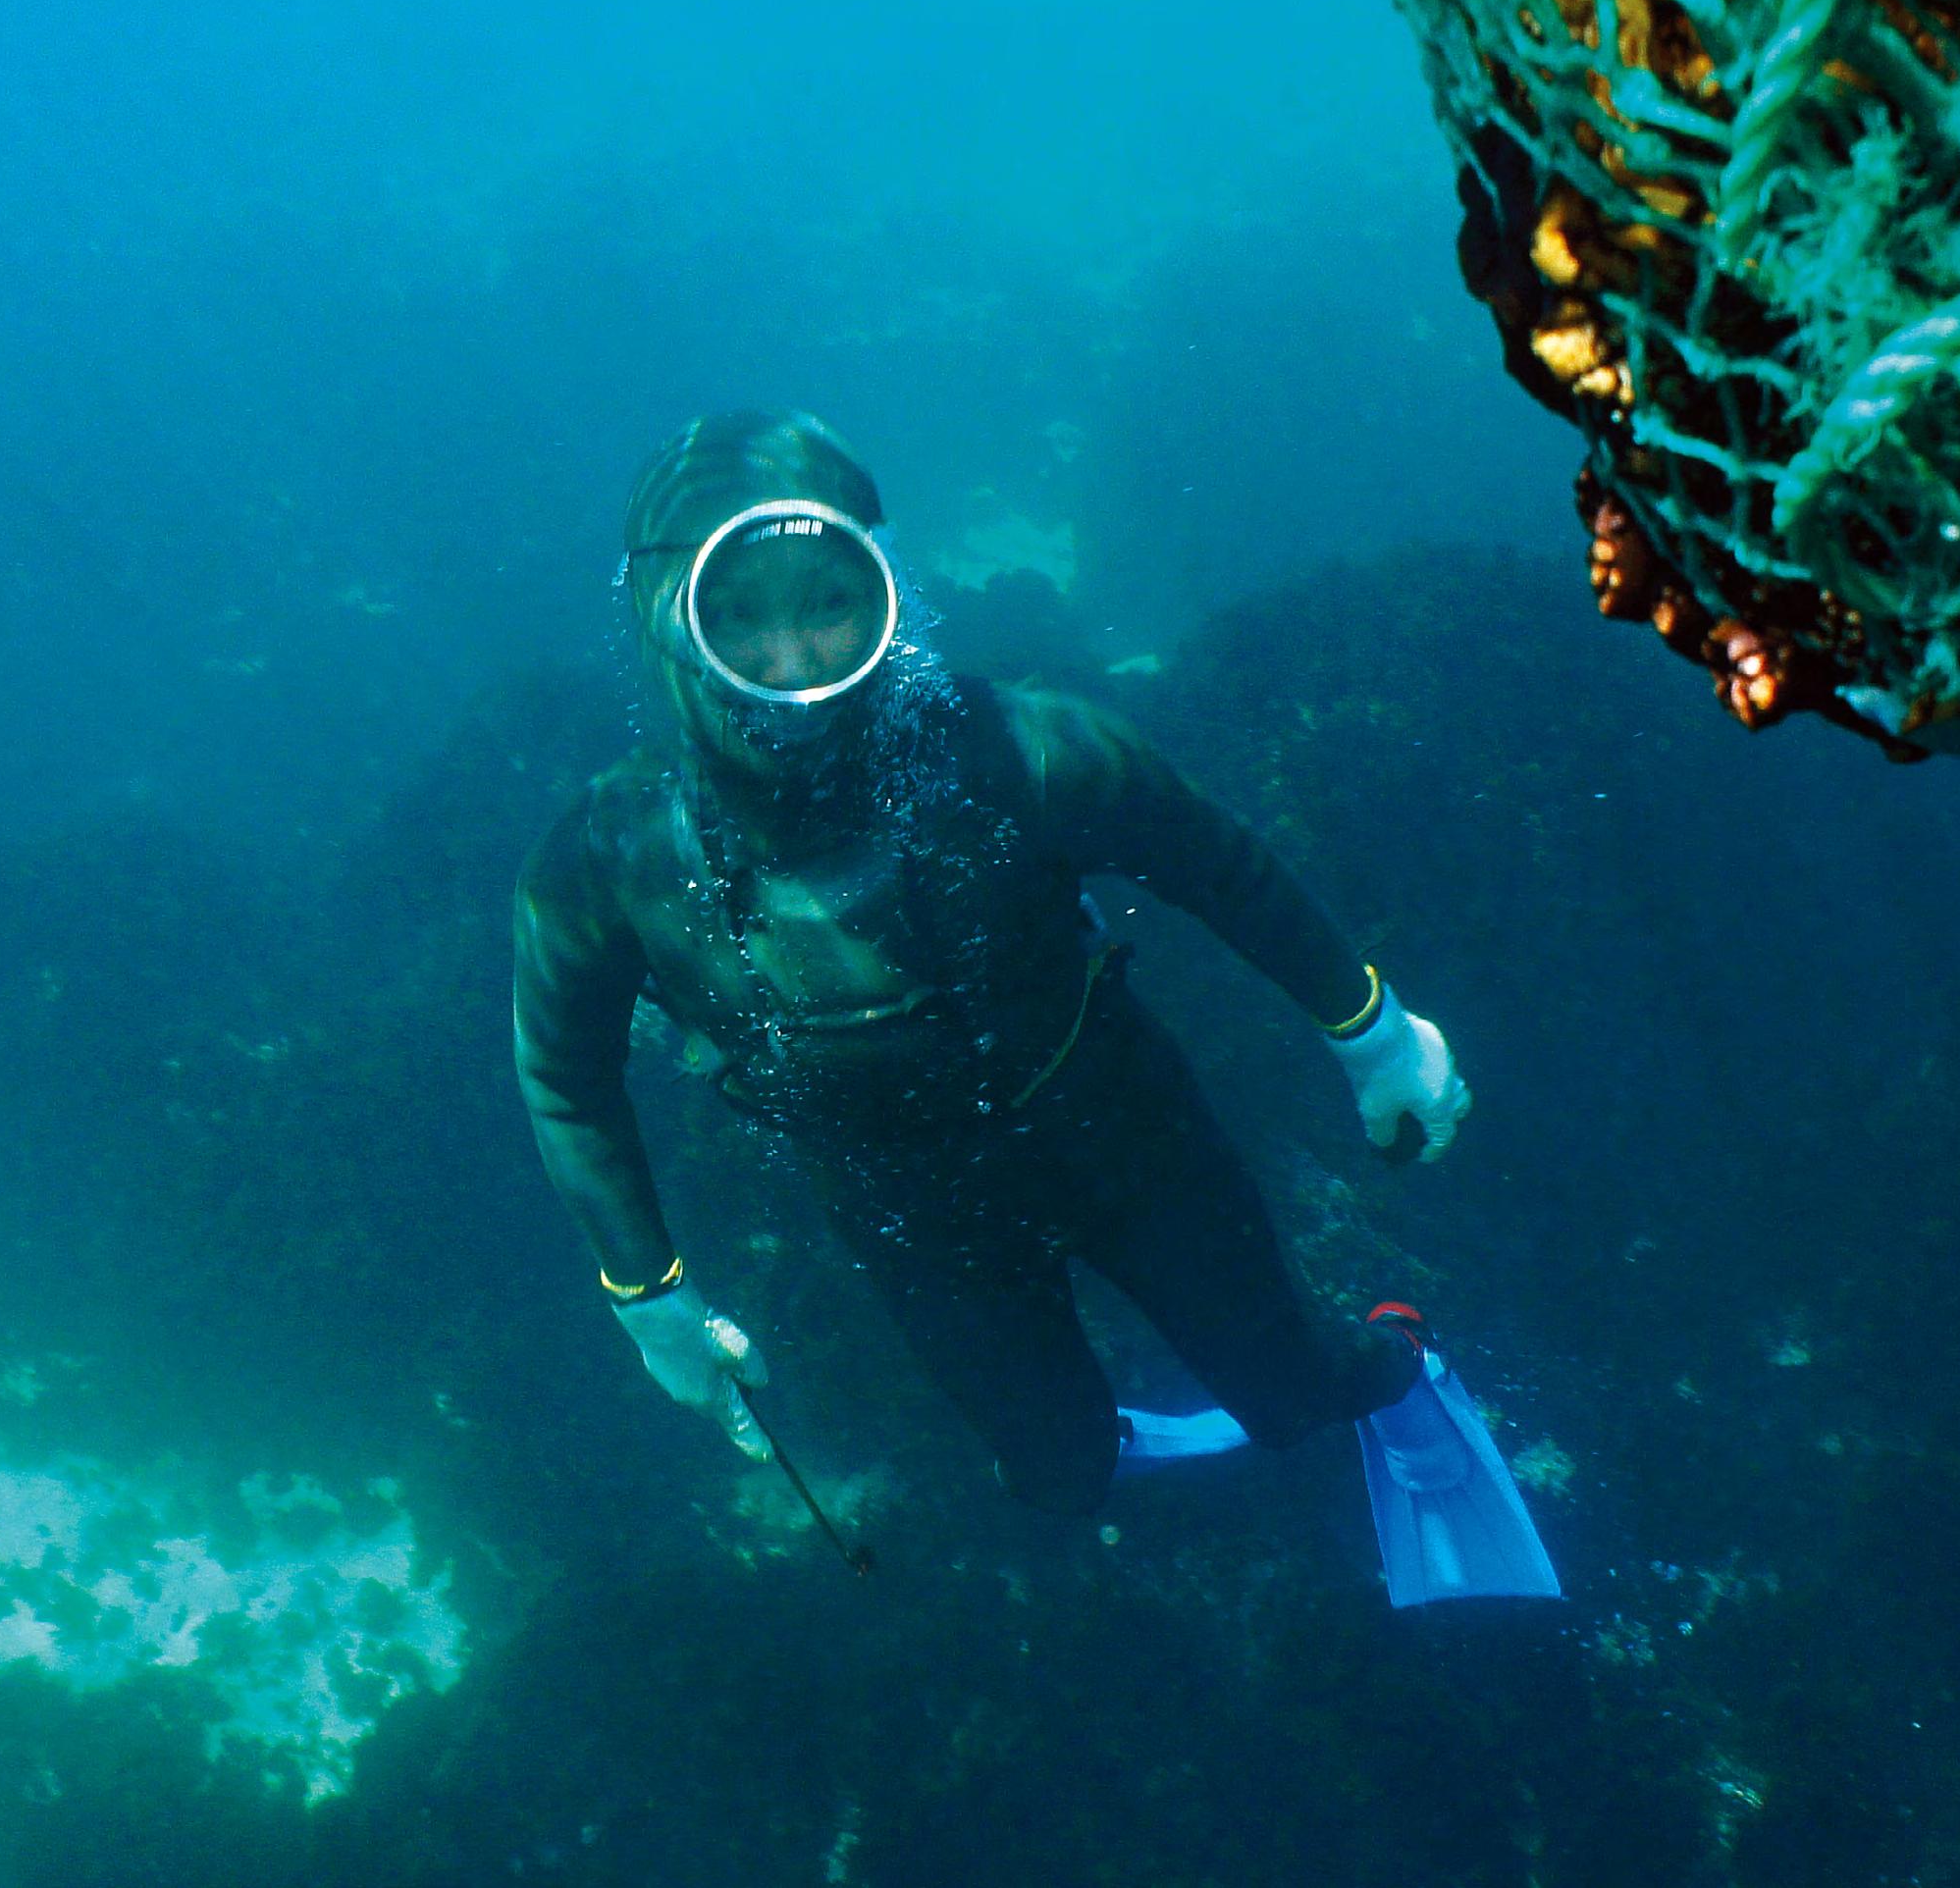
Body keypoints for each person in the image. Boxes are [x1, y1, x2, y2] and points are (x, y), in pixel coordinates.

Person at [511, 410, 1484, 1527]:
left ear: (882, 590)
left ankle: (1394, 1354)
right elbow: (565, 1082)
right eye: (736, 618)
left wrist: (1375, 1038)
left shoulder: (1026, 748)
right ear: (663, 619)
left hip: (1131, 1143)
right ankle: (1111, 1446)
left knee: (1297, 1396)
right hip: (914, 1223)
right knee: (1057, 1479)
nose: (790, 664)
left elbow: (1222, 870)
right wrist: (649, 1298)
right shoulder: (607, 860)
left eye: (827, 602)